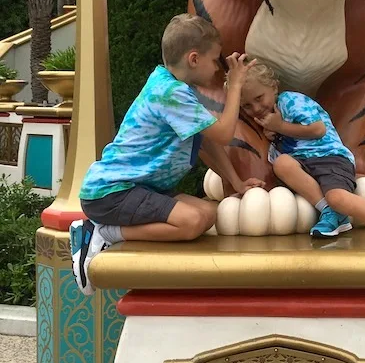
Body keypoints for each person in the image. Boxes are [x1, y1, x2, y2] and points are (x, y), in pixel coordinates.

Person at [69, 15, 255, 296]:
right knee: (191, 222)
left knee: (207, 214)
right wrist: (236, 86)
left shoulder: (174, 87)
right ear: (194, 58)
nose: (218, 68)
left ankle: (105, 230)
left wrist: (236, 183)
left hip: (139, 189)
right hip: (111, 193)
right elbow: (225, 134)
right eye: (215, 60)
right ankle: (101, 233)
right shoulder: (170, 93)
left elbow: (207, 141)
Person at [237, 63, 365, 247]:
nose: (255, 108)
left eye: (259, 98)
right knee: (282, 164)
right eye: (247, 106)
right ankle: (330, 212)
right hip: (302, 164)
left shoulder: (290, 101)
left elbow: (318, 130)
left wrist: (280, 127)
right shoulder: (262, 120)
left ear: (273, 87)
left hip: (329, 157)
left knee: (337, 197)